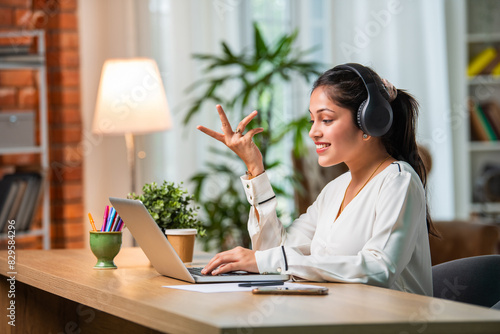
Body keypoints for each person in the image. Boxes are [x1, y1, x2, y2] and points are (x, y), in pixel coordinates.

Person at [197, 63, 436, 296]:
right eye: (313, 120)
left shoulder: (398, 181)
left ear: (370, 121)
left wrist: (270, 260)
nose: (313, 132)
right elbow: (274, 253)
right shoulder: (334, 190)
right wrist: (254, 168)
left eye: (327, 119)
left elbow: (379, 269)